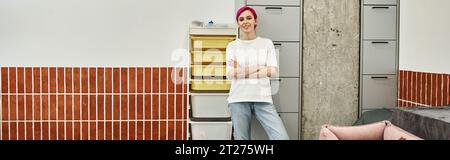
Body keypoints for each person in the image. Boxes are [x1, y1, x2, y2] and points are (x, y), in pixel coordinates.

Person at [226, 6, 289, 140]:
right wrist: (259, 67)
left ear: (255, 21)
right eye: (241, 19)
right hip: (238, 99)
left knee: (281, 137)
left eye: (249, 18)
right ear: (238, 23)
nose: (245, 21)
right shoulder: (232, 46)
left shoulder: (266, 43)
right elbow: (231, 74)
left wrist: (242, 71)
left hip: (263, 99)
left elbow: (272, 71)